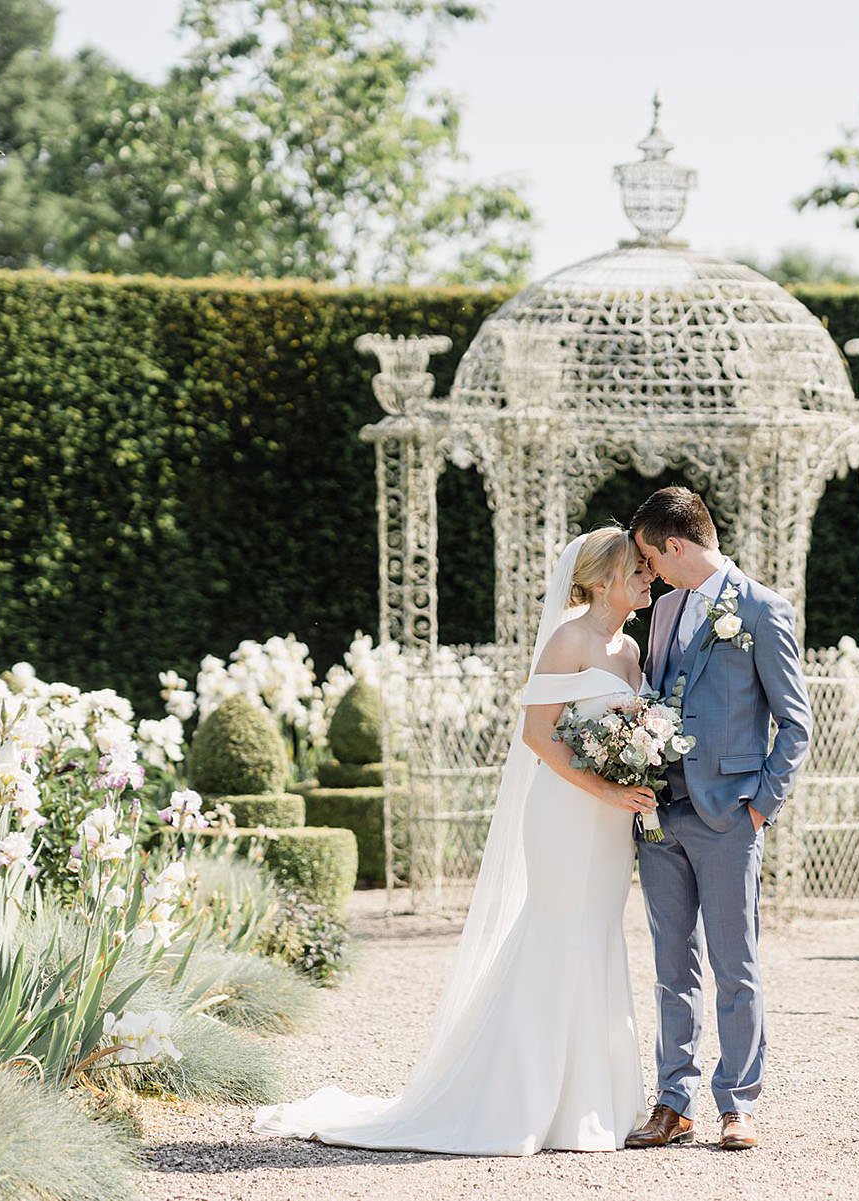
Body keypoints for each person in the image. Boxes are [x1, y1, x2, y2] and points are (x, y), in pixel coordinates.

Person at [251, 526, 657, 1155]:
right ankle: (522, 1098)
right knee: (556, 931)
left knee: (599, 933)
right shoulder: (568, 639)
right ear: (603, 578)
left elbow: (624, 724)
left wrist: (634, 761)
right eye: (637, 568)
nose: (649, 575)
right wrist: (602, 788)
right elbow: (537, 735)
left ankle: (589, 1102)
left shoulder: (630, 649)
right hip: (565, 812)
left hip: (609, 822)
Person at [626, 486, 813, 1152]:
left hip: (728, 817)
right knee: (671, 967)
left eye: (650, 557)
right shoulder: (666, 608)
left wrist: (759, 806)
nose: (648, 573)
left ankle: (738, 1102)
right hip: (658, 817)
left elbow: (795, 723)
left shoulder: (763, 609)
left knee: (736, 965)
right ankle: (673, 1101)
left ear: (675, 544)